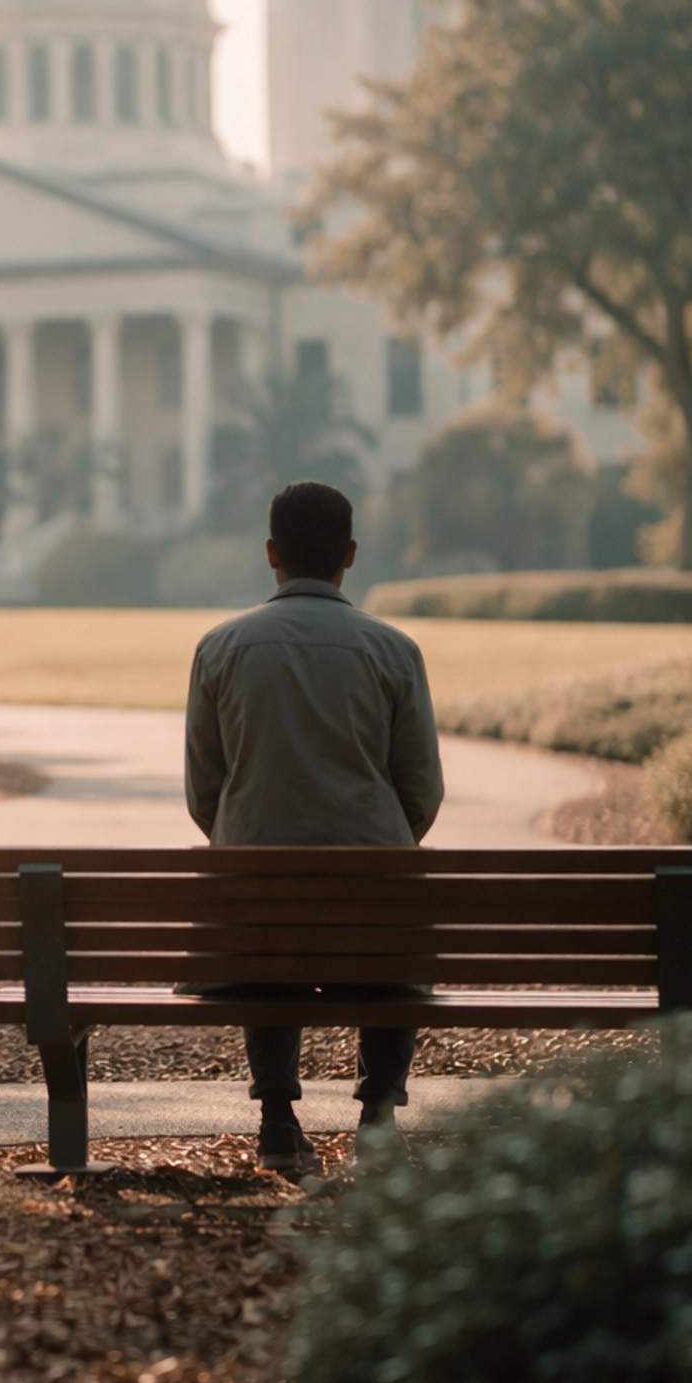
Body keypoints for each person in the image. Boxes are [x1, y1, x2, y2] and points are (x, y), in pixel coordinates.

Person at [184, 478, 443, 1177]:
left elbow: (205, 792)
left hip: (256, 913)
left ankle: (276, 1116)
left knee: (261, 910)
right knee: (397, 929)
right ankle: (378, 1117)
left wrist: (253, 839)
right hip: (372, 910)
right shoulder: (395, 650)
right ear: (350, 554)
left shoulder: (219, 648)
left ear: (271, 552)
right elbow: (421, 792)